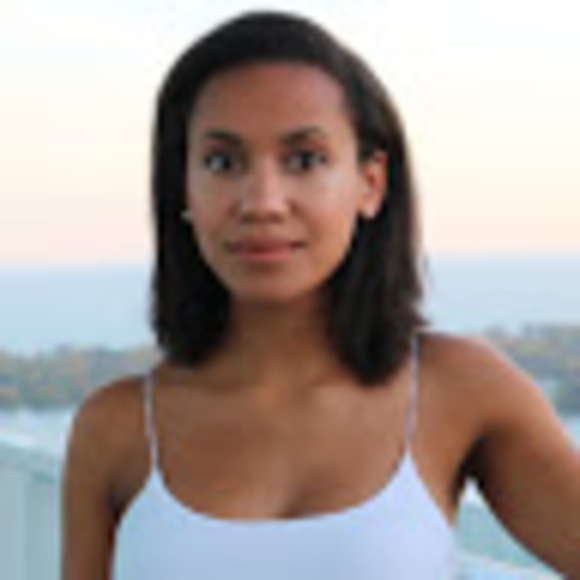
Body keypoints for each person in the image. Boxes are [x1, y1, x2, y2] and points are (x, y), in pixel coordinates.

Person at [61, 10, 580, 580]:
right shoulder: (115, 430)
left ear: (370, 183)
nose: (262, 202)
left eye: (304, 160)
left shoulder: (458, 390)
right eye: (222, 162)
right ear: (183, 187)